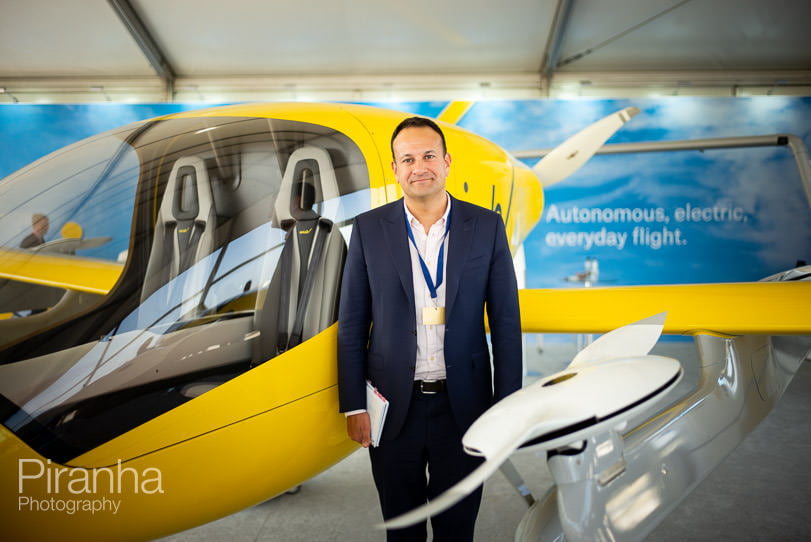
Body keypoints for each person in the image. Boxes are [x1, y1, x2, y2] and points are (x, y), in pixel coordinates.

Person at [337, 117, 522, 541]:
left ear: (447, 161)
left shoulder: (486, 227)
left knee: (457, 528)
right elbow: (351, 324)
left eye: (427, 156)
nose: (419, 166)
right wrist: (354, 404)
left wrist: (508, 407)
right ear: (395, 169)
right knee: (401, 530)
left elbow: (507, 325)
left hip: (466, 406)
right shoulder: (368, 229)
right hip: (390, 406)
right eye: (408, 159)